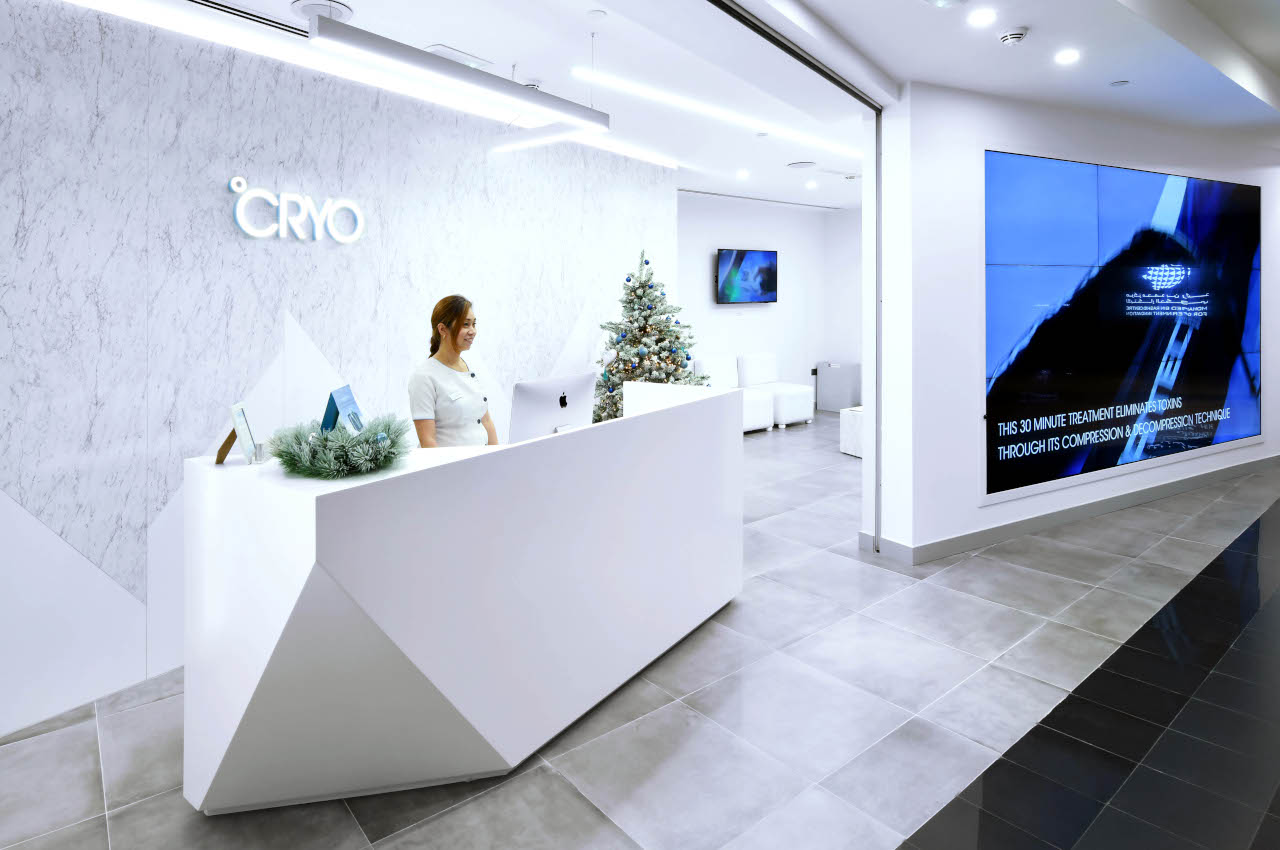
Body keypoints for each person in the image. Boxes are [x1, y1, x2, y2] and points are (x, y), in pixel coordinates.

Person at [408, 295, 499, 448]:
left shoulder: (470, 367)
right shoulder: (423, 377)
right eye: (465, 324)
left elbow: (486, 421)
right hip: (452, 469)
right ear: (442, 329)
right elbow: (428, 443)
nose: (473, 331)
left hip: (482, 465)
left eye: (474, 324)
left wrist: (500, 460)